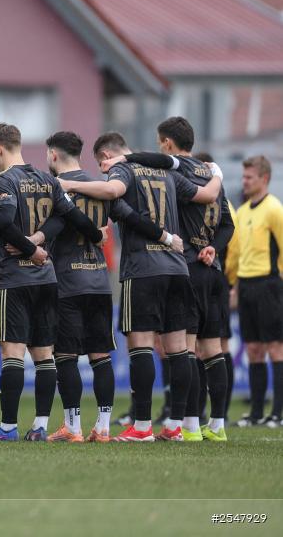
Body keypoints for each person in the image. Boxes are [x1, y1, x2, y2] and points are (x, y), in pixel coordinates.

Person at [60, 130, 222, 441]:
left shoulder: (123, 169)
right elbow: (207, 196)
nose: (103, 170)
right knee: (178, 349)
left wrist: (70, 184)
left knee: (141, 346)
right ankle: (177, 425)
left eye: (101, 164)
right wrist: (216, 172)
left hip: (143, 269)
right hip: (177, 269)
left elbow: (114, 190)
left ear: (107, 156)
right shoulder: (166, 172)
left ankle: (144, 426)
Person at [103, 118, 235, 441]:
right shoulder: (210, 173)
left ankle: (178, 423)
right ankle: (211, 425)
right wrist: (214, 249)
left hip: (181, 263)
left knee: (181, 349)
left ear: (166, 143)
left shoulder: (172, 173)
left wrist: (127, 160)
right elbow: (228, 223)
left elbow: (153, 205)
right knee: (212, 350)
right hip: (212, 271)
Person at [35, 132, 171, 443]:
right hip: (99, 282)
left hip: (67, 281)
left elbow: (50, 227)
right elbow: (132, 218)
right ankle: (104, 427)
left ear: (54, 155)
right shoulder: (102, 189)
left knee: (66, 357)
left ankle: (73, 427)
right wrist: (165, 237)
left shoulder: (55, 189)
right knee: (101, 357)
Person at [0, 123, 107, 442]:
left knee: (12, 353)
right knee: (44, 355)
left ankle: (7, 427)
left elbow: (4, 221)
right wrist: (94, 235)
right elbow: (69, 215)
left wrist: (30, 248)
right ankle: (39, 426)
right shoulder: (47, 179)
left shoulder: (4, 180)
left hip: (16, 278)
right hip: (48, 281)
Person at [225, 156, 283, 427]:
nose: (244, 181)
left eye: (249, 177)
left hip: (269, 285)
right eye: (244, 176)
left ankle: (278, 413)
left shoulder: (274, 209)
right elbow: (239, 254)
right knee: (253, 350)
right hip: (246, 285)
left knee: (275, 348)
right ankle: (257, 412)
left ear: (264, 179)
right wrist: (235, 286)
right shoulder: (245, 210)